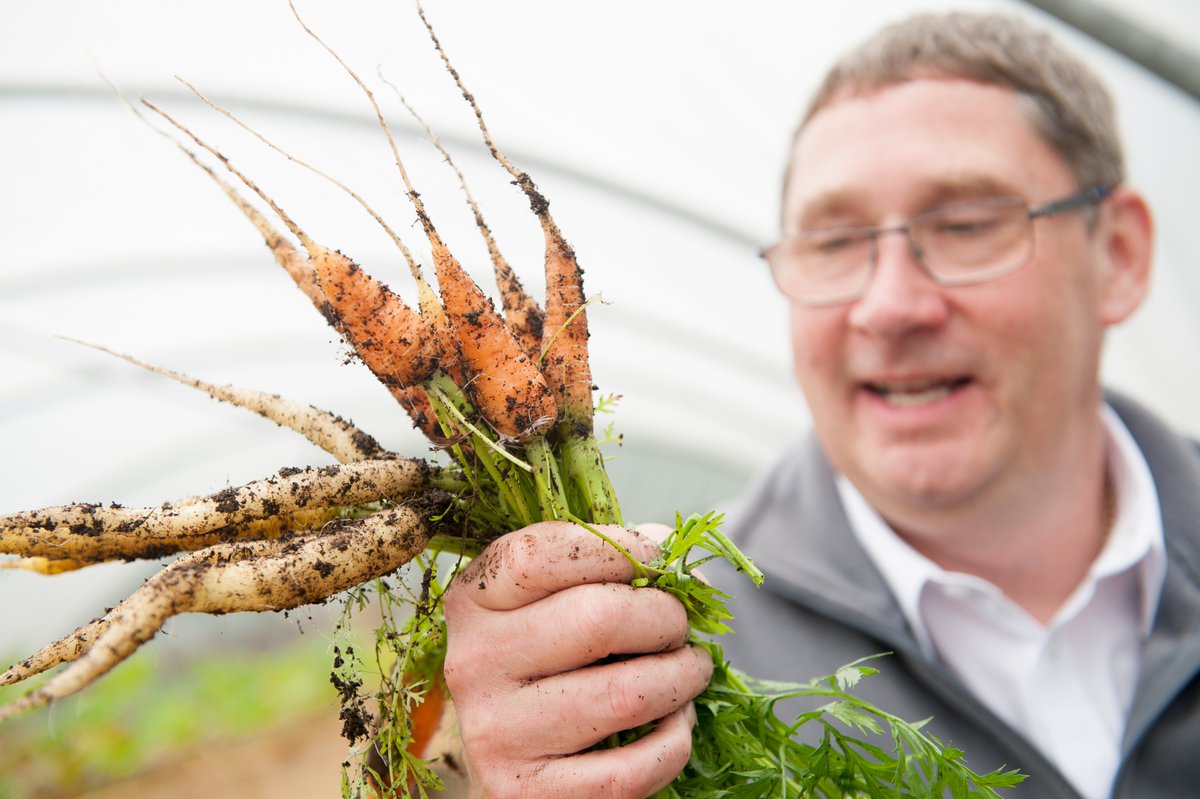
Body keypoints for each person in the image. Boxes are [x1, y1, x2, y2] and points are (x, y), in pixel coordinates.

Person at [441, 11, 1200, 799]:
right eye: (833, 243)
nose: (889, 305)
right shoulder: (656, 640)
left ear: (1117, 255)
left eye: (967, 225)